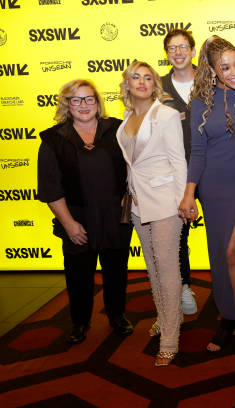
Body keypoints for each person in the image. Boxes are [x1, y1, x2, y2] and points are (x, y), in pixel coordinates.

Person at [178, 36, 235, 352]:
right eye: (225, 67)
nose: (234, 71)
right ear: (213, 71)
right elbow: (198, 152)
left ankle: (232, 316)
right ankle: (234, 313)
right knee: (221, 254)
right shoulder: (200, 103)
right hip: (214, 188)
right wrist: (189, 194)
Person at [38, 79, 134, 345]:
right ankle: (79, 322)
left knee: (116, 271)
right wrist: (69, 224)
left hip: (115, 216)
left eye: (89, 98)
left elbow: (135, 166)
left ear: (98, 102)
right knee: (78, 275)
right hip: (76, 218)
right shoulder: (53, 139)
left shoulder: (117, 129)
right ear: (67, 104)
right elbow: (50, 188)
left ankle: (117, 315)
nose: (83, 105)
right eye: (76, 99)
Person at [116, 61, 187, 366]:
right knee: (152, 266)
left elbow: (178, 160)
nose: (142, 82)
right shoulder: (126, 117)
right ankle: (166, 316)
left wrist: (183, 201)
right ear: (127, 84)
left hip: (165, 202)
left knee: (168, 268)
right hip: (137, 202)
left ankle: (170, 337)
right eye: (136, 77)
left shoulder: (166, 115)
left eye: (148, 77)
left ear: (155, 84)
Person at [161, 28, 198, 316]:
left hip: (213, 168)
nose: (178, 52)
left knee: (225, 232)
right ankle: (183, 285)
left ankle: (232, 287)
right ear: (167, 54)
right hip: (176, 172)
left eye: (183, 46)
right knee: (178, 234)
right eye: (172, 48)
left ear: (193, 51)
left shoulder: (212, 80)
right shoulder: (158, 88)